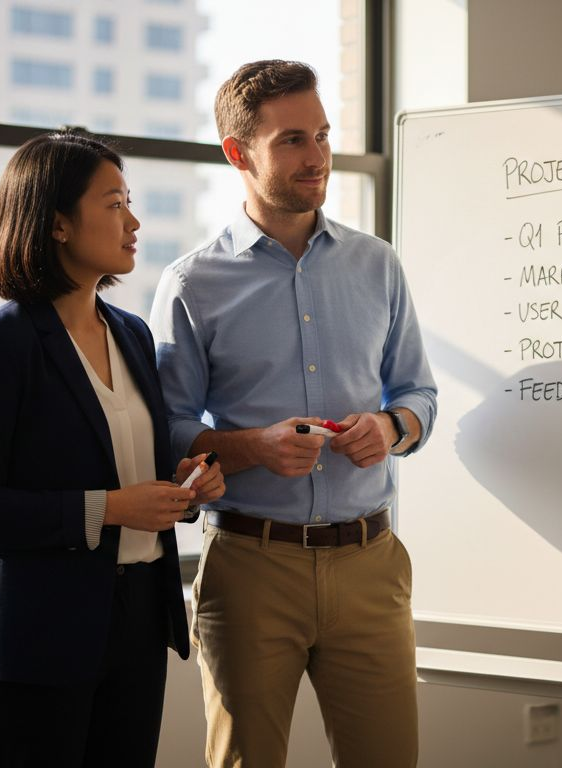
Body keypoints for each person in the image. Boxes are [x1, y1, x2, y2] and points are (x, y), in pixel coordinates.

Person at [150, 60, 437, 766]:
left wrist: (390, 428)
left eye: (322, 135)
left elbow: (419, 395)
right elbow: (167, 430)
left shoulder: (378, 265)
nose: (317, 158)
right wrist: (253, 446)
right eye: (291, 141)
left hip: (371, 564)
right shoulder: (192, 283)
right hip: (250, 566)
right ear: (237, 153)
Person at [0, 132, 225, 767]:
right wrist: (112, 508)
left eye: (131, 202)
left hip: (136, 625)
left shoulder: (131, 334)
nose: (134, 221)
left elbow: (127, 477)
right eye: (115, 202)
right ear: (59, 223)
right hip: (32, 636)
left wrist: (183, 489)